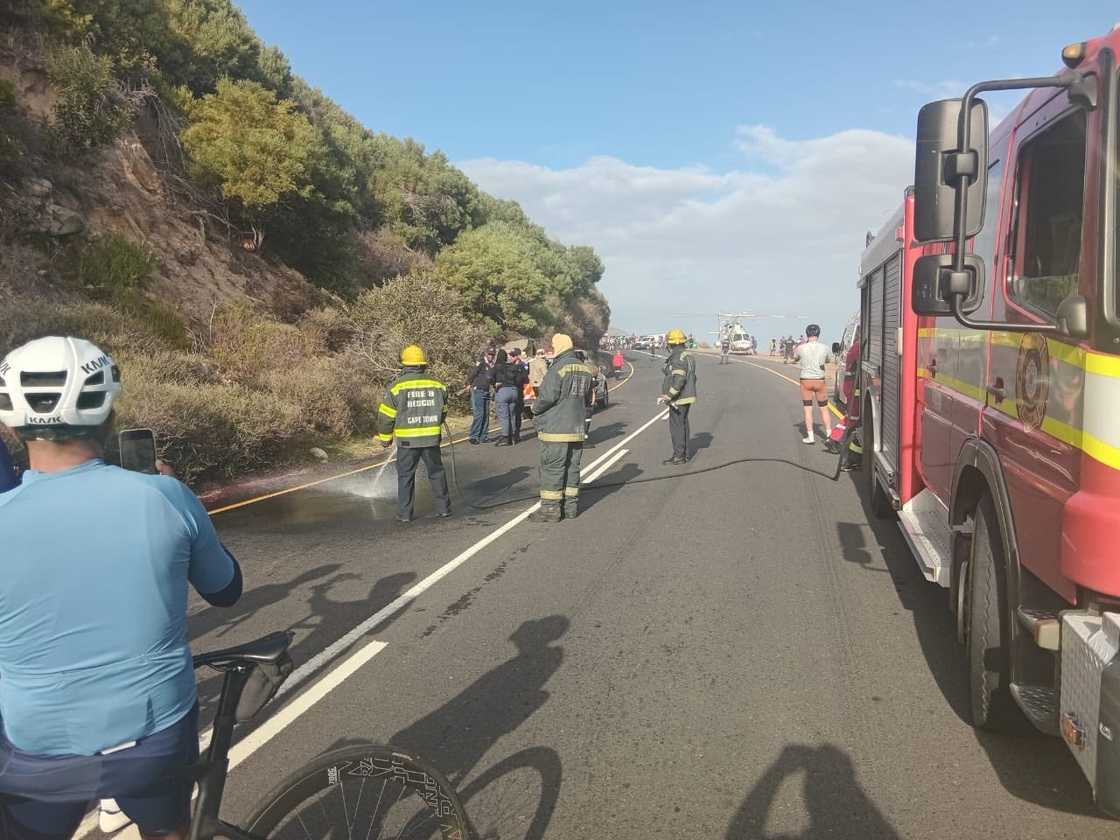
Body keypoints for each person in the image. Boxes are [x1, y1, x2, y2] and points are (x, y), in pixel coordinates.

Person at [0, 335, 242, 840]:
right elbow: (225, 590)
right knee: (171, 830)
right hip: (151, 734)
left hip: (35, 746)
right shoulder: (165, 496)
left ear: (10, 422)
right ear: (110, 412)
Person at [376, 344, 451, 522]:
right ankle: (444, 509)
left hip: (408, 442)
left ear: (404, 364)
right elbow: (444, 411)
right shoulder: (437, 384)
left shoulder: (396, 387)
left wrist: (385, 439)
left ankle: (405, 514)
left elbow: (386, 416)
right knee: (437, 473)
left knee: (406, 476)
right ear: (423, 364)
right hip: (431, 439)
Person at [529, 333, 594, 523]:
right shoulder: (584, 369)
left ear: (558, 347)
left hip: (556, 428)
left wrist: (534, 408)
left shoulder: (558, 368)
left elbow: (547, 396)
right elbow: (588, 397)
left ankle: (550, 509)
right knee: (572, 467)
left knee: (553, 468)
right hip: (577, 427)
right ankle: (570, 507)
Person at [658, 328, 698, 465]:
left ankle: (679, 456)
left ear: (672, 343)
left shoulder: (677, 357)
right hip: (687, 396)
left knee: (676, 427)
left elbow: (679, 378)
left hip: (679, 398)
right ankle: (685, 454)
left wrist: (669, 396)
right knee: (683, 424)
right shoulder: (688, 355)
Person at [794, 323, 833, 445]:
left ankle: (810, 436)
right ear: (818, 334)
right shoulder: (825, 348)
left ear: (807, 334)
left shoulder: (800, 348)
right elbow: (828, 360)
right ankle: (829, 435)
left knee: (807, 409)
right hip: (820, 380)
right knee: (824, 408)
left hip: (805, 380)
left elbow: (795, 358)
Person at [490, 348, 527, 447]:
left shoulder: (497, 367)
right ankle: (514, 436)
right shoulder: (512, 366)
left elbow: (489, 377)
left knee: (504, 416)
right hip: (514, 392)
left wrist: (495, 384)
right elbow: (523, 378)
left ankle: (506, 437)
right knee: (513, 415)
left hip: (503, 391)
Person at [466, 345, 496, 444]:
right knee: (479, 414)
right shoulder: (481, 363)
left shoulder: (491, 365)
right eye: (490, 354)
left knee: (486, 415)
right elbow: (472, 374)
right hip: (478, 390)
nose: (491, 356)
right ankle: (473, 436)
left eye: (493, 354)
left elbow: (491, 378)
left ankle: (484, 436)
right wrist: (469, 384)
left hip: (486, 390)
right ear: (486, 353)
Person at [509, 347, 529, 442]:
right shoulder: (508, 365)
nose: (511, 357)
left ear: (518, 356)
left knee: (517, 414)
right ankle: (510, 434)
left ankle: (516, 434)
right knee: (510, 414)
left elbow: (526, 379)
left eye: (513, 355)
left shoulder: (523, 366)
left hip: (519, 392)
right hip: (510, 392)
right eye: (511, 355)